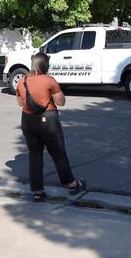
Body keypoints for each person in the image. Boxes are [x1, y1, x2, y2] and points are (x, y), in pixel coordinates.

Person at [16, 52, 86, 201]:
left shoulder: (22, 81)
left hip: (28, 121)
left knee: (34, 156)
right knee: (58, 153)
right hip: (48, 120)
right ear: (45, 65)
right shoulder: (49, 80)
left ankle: (37, 192)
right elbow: (61, 102)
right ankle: (72, 184)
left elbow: (21, 103)